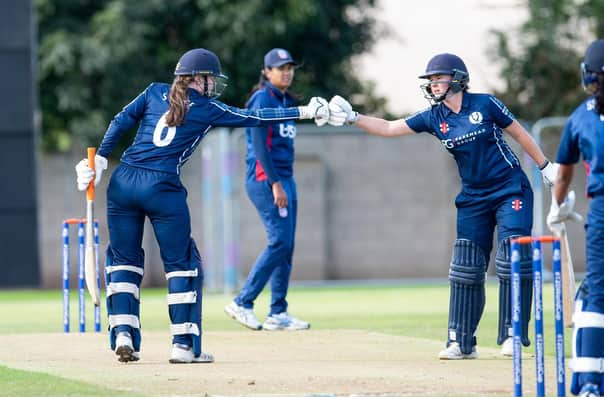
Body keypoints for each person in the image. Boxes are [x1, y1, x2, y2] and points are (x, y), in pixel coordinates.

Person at [74, 48, 329, 364]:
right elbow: (255, 118)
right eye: (210, 78)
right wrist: (305, 112)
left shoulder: (154, 91)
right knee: (183, 264)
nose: (213, 84)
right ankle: (183, 346)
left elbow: (120, 119)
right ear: (197, 78)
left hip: (122, 182)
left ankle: (123, 333)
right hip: (162, 187)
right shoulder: (207, 108)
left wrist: (99, 158)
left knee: (123, 261)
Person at [327, 53, 558, 360]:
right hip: (474, 197)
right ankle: (461, 341)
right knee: (466, 265)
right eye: (431, 81)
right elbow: (389, 127)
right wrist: (352, 117)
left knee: (512, 255)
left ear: (457, 79)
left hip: (509, 188)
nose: (434, 85)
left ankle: (513, 334)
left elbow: (518, 132)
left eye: (439, 79)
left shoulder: (485, 104)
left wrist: (544, 166)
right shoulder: (434, 117)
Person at [224, 48, 310, 331]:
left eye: (289, 67)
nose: (286, 72)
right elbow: (260, 146)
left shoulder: (284, 99)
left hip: (285, 177)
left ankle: (278, 312)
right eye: (280, 67)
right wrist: (275, 183)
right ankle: (242, 302)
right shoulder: (262, 98)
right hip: (266, 179)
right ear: (266, 72)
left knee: (287, 247)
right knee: (279, 242)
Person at [547, 38, 604, 397]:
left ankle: (589, 387)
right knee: (592, 295)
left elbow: (564, 176)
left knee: (596, 296)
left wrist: (559, 205)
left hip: (601, 210)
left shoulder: (581, 116)